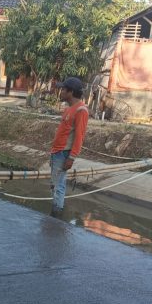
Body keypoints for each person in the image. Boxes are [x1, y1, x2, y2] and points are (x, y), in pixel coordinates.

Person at [49, 77, 89, 217]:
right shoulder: (68, 109)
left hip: (63, 154)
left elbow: (79, 136)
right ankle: (54, 214)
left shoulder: (81, 110)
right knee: (54, 185)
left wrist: (71, 157)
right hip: (57, 152)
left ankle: (56, 217)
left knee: (58, 186)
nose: (61, 92)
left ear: (70, 92)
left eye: (63, 89)